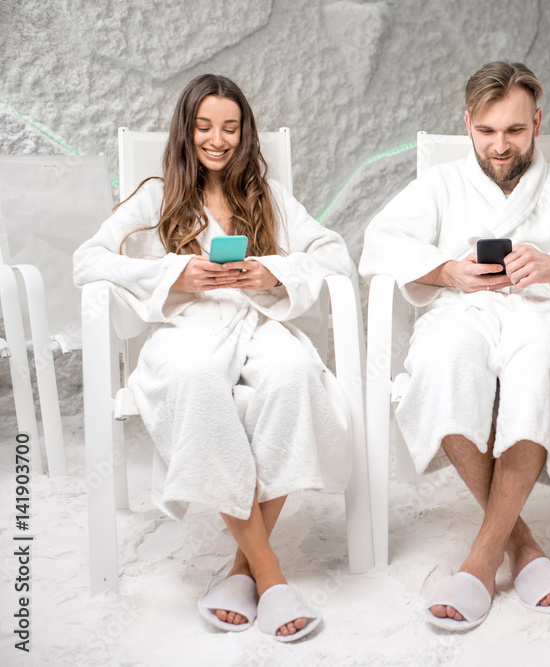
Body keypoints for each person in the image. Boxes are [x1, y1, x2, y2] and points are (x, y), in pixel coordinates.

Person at [360, 61, 550, 631]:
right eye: (487, 131)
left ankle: (481, 559)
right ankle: (521, 544)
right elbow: (379, 242)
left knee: (540, 368)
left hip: (540, 312)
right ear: (467, 124)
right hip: (461, 311)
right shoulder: (440, 184)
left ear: (537, 122)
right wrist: (446, 271)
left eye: (514, 130)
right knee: (442, 362)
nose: (500, 144)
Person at [73, 74, 355, 642]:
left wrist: (271, 271)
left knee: (296, 373)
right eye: (204, 127)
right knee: (198, 379)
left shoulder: (267, 195)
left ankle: (238, 570)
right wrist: (175, 272)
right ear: (186, 129)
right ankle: (270, 575)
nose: (217, 140)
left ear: (245, 133)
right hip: (189, 330)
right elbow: (89, 260)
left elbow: (334, 253)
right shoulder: (156, 194)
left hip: (255, 321)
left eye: (230, 127)